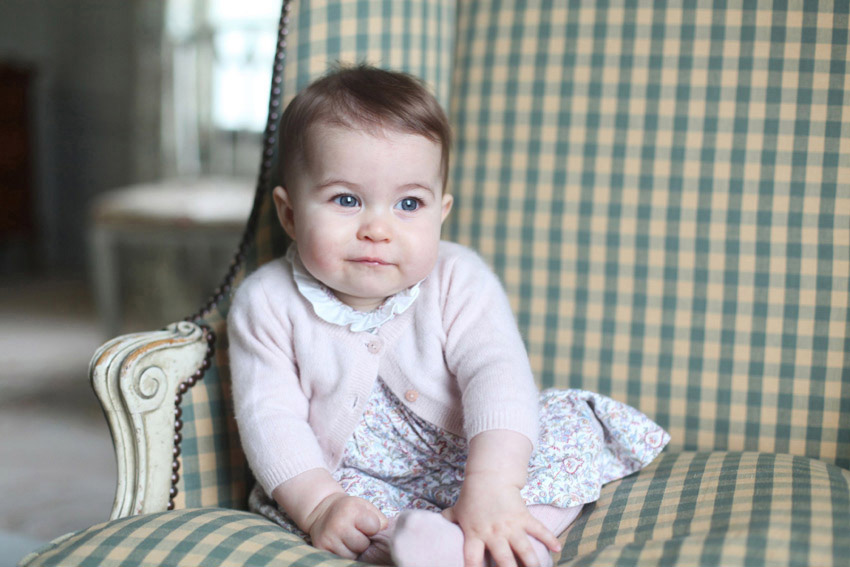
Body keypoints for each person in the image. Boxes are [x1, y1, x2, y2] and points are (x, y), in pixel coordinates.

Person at [228, 64, 669, 567]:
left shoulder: (458, 277)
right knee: (336, 512)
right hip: (355, 475)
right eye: (346, 200)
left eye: (409, 203)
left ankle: (512, 532)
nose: (378, 228)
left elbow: (496, 373)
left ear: (442, 212)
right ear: (289, 214)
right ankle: (422, 545)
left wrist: (492, 486)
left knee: (562, 428)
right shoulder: (265, 302)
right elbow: (271, 420)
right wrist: (319, 504)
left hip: (473, 453)